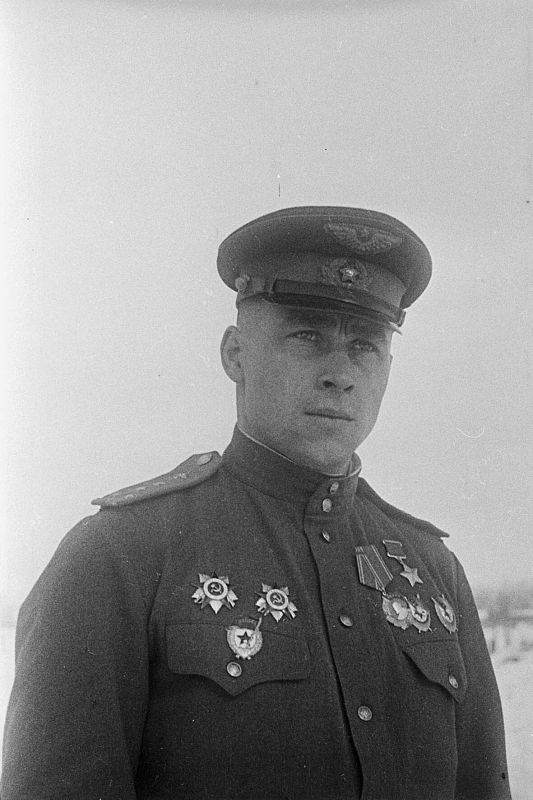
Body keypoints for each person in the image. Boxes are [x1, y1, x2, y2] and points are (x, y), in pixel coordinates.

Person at [1, 206, 511, 800]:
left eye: (365, 346)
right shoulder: (119, 555)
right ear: (235, 355)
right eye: (307, 337)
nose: (340, 374)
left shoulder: (434, 572)